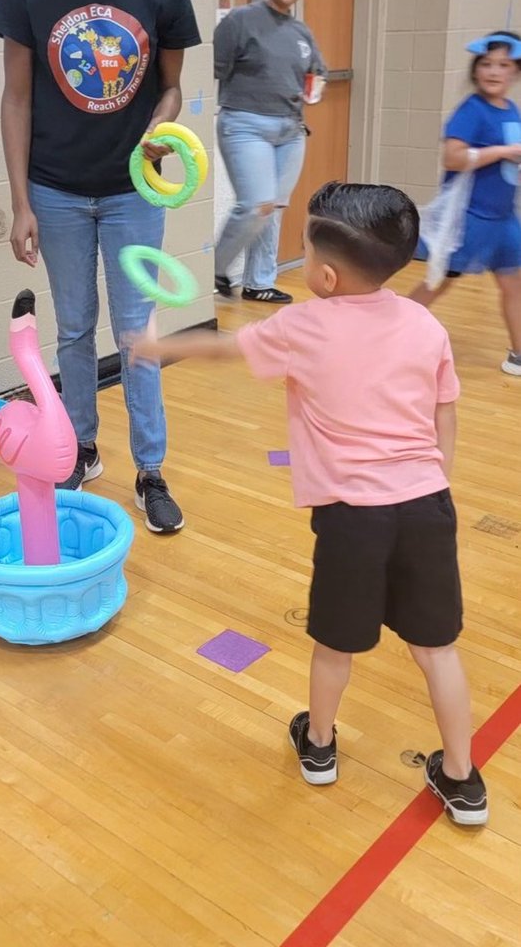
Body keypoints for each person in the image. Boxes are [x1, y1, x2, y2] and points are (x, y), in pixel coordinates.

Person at [131, 181, 488, 825]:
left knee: (334, 646)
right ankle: (462, 781)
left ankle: (319, 746)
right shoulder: (425, 323)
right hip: (428, 506)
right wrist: (437, 483)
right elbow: (446, 413)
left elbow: (222, 349)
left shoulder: (302, 324)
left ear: (323, 274)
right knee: (438, 649)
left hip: (354, 519)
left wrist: (158, 346)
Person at [0, 0, 201, 534]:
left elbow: (171, 90)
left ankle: (151, 470)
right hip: (55, 189)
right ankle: (79, 446)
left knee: (135, 332)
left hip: (134, 189)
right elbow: (16, 99)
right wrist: (19, 202)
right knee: (74, 329)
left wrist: (157, 127)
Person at [213, 0, 327, 304]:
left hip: (290, 131)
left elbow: (317, 70)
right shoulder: (241, 20)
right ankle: (214, 267)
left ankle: (259, 282)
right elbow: (215, 67)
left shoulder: (300, 31)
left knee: (273, 207)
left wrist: (315, 86)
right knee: (255, 204)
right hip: (245, 124)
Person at [409, 31, 521, 376]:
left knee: (514, 284)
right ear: (476, 71)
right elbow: (453, 158)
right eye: (486, 64)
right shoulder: (471, 110)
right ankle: (384, 333)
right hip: (469, 219)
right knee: (438, 281)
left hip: (503, 220)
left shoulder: (511, 110)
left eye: (503, 65)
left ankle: (519, 354)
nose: (493, 71)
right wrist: (503, 152)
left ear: (515, 72)